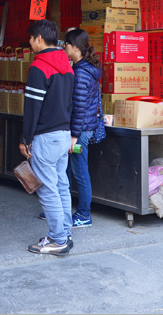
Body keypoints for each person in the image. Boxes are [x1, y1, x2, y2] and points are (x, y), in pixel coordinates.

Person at [20, 19, 75, 255]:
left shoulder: (39, 66)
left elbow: (33, 107)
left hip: (45, 136)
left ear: (39, 39)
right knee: (61, 185)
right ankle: (65, 232)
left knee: (48, 189)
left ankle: (57, 239)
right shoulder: (68, 65)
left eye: (31, 39)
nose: (30, 44)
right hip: (64, 134)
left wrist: (25, 138)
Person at [64, 28, 102, 228]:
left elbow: (78, 107)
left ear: (76, 48)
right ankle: (63, 210)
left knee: (79, 171)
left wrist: (74, 135)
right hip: (83, 128)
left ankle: (84, 214)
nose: (64, 48)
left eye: (67, 45)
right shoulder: (86, 68)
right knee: (70, 169)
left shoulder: (81, 72)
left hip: (80, 130)